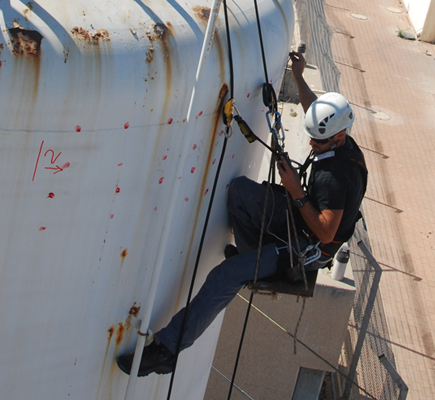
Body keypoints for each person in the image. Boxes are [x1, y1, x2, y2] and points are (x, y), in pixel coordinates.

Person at [116, 51, 367, 376]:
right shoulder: (338, 139)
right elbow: (312, 109)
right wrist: (299, 74)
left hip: (306, 248)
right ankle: (254, 258)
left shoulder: (336, 177)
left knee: (226, 274)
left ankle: (167, 349)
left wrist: (296, 191)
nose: (310, 144)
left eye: (317, 142)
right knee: (240, 193)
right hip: (299, 218)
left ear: (338, 136)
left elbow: (325, 233)